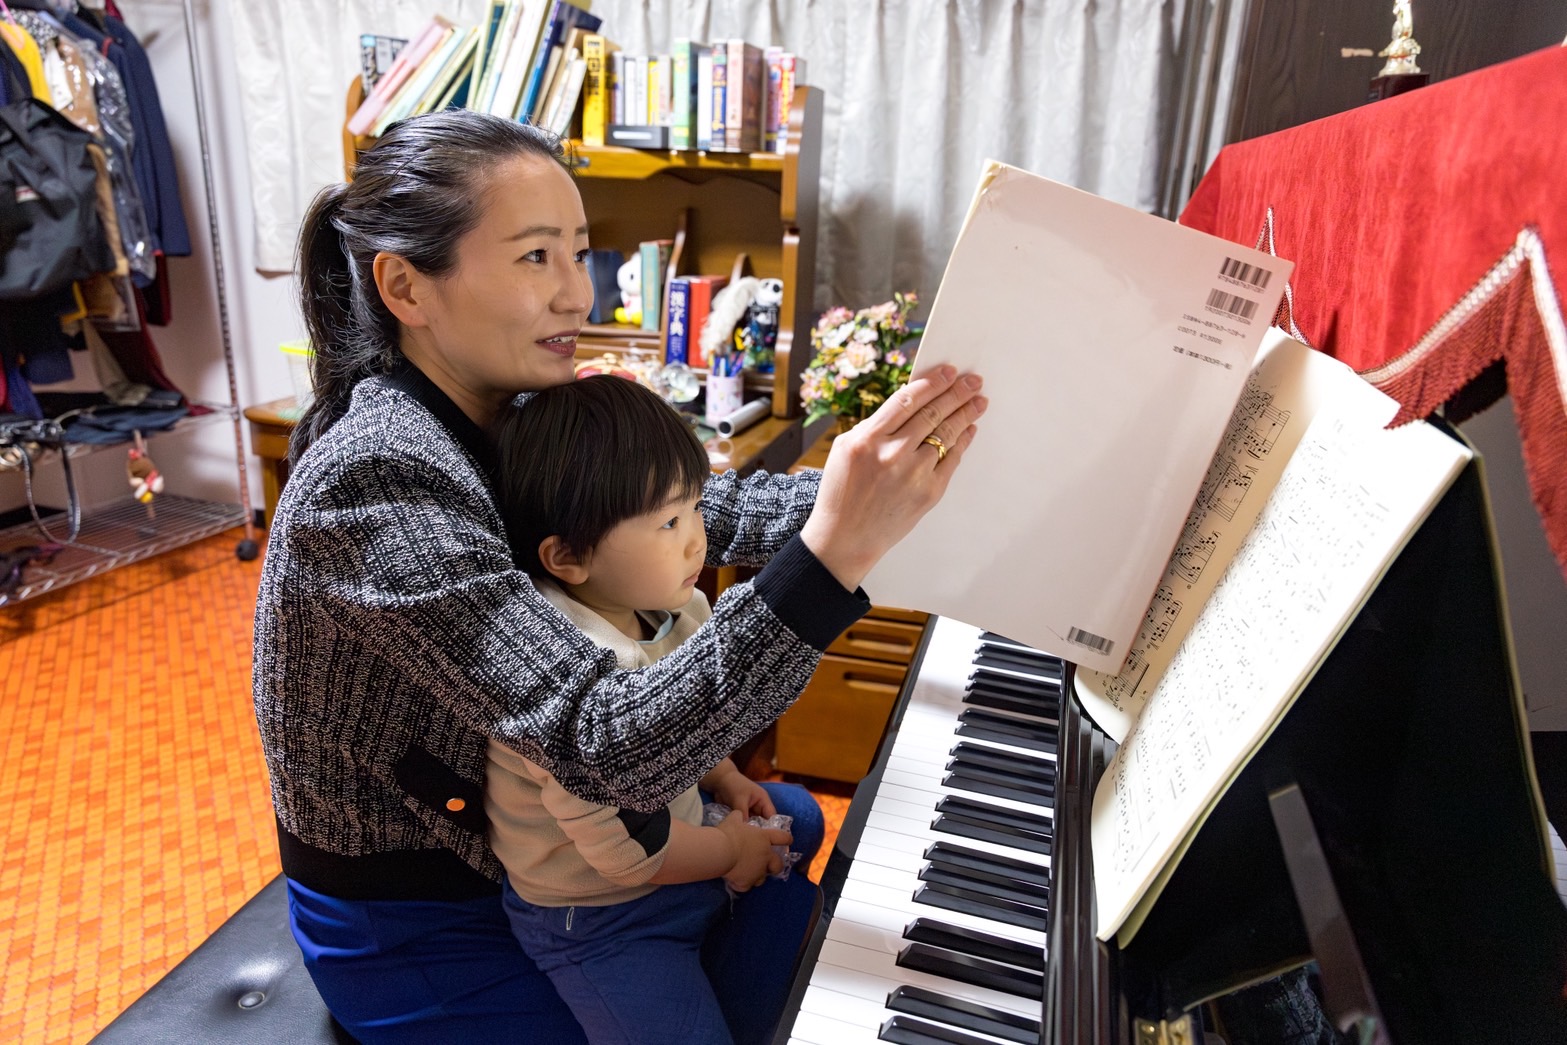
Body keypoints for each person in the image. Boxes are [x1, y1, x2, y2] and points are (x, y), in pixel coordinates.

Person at [254, 108, 986, 1044]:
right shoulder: (376, 479)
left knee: (796, 826)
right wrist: (832, 552)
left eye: (580, 253)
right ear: (405, 285)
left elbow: (696, 515)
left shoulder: (513, 410)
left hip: (533, 854)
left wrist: (885, 492)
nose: (577, 295)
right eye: (534, 258)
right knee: (797, 962)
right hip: (422, 920)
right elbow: (599, 745)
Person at [487, 374, 823, 1044]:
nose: (697, 539)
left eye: (695, 507)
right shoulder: (564, 677)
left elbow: (687, 727)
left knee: (799, 818)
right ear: (569, 558)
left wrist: (725, 779)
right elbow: (626, 853)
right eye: (669, 522)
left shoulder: (668, 602)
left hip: (670, 844)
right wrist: (729, 846)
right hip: (597, 916)